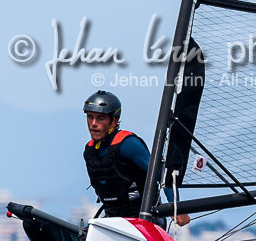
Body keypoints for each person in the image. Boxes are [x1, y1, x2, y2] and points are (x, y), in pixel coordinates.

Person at [81, 90, 189, 225]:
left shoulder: (127, 144)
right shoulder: (89, 151)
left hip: (145, 221)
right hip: (114, 221)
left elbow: (161, 174)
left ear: (114, 121)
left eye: (100, 118)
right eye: (90, 117)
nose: (93, 123)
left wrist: (175, 206)